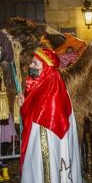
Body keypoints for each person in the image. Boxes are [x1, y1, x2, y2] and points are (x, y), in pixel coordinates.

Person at [18, 48, 82, 183]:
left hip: (46, 143)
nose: (30, 66)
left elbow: (49, 123)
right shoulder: (39, 85)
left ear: (46, 67)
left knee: (47, 169)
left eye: (34, 63)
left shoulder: (52, 90)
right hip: (35, 143)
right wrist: (23, 104)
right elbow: (32, 114)